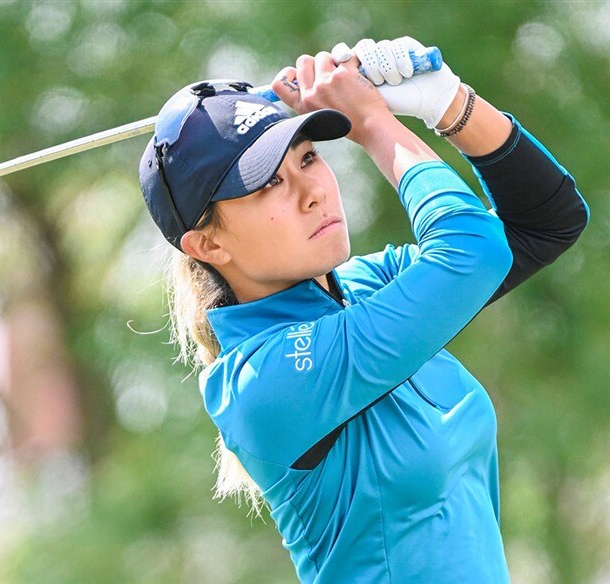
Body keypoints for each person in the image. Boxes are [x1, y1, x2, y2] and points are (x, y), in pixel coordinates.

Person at [137, 37, 589, 583]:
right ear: (208, 246)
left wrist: (447, 103)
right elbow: (473, 250)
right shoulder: (262, 380)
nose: (313, 191)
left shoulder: (368, 285)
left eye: (307, 158)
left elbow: (545, 222)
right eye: (270, 182)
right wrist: (375, 127)